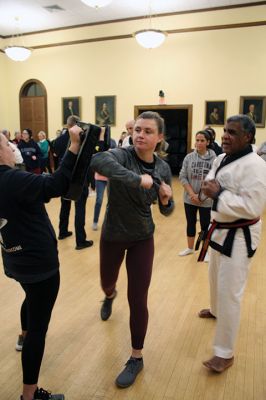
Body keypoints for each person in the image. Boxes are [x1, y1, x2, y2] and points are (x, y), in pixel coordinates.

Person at [90, 111, 174, 388]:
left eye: (148, 131)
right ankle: (108, 296)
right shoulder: (121, 155)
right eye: (138, 129)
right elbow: (97, 160)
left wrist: (165, 200)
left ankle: (136, 356)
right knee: (107, 284)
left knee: (138, 298)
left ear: (159, 137)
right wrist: (138, 180)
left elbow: (168, 210)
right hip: (113, 234)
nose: (141, 134)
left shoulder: (162, 169)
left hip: (142, 238)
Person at [0, 126, 83, 400]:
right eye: (6, 144)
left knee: (30, 295)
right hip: (39, 265)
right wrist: (73, 146)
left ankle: (23, 335)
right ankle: (30, 394)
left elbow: (41, 190)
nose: (13, 148)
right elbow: (56, 185)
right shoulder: (12, 179)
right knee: (39, 329)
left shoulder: (14, 181)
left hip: (15, 259)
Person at [198, 115, 266, 373]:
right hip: (219, 229)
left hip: (239, 235)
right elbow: (211, 180)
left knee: (230, 292)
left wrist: (219, 194)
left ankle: (225, 354)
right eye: (225, 131)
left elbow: (253, 206)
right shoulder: (220, 158)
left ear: (248, 137)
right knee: (214, 277)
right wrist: (208, 188)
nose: (225, 136)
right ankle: (216, 310)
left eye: (233, 133)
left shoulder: (256, 166)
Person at [53, 115, 93, 250]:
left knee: (65, 206)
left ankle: (62, 231)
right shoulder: (81, 140)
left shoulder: (57, 141)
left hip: (63, 177)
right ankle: (80, 241)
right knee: (79, 209)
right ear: (77, 125)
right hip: (78, 179)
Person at [179, 130, 216, 256]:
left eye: (202, 141)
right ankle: (190, 248)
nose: (198, 143)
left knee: (205, 225)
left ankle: (205, 252)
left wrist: (202, 197)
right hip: (190, 199)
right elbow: (183, 177)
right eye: (197, 140)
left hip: (206, 200)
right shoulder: (189, 157)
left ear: (208, 142)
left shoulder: (214, 159)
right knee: (191, 222)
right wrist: (192, 195)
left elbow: (215, 180)